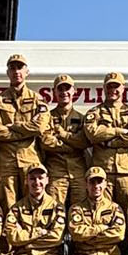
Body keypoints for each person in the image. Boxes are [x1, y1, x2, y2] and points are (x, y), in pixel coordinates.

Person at [0, 54, 49, 210]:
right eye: (12, 68)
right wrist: (26, 131)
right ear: (7, 72)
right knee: (8, 205)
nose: (16, 71)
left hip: (30, 160)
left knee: (33, 204)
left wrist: (13, 126)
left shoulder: (37, 99)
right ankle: (11, 234)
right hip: (6, 162)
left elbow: (39, 127)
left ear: (27, 71)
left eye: (20, 67)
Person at [85, 71, 128, 215]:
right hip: (103, 172)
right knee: (102, 213)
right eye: (109, 86)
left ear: (123, 88)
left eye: (116, 86)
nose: (113, 90)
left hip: (126, 172)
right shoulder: (95, 112)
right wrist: (118, 131)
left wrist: (110, 143)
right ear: (104, 89)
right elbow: (93, 134)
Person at [41, 74, 88, 204]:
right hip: (56, 172)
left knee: (80, 211)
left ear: (74, 91)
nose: (64, 92)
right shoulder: (47, 117)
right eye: (60, 89)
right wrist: (72, 145)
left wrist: (61, 134)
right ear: (54, 92)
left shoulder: (82, 118)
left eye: (67, 89)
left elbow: (84, 142)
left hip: (78, 172)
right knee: (55, 210)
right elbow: (46, 142)